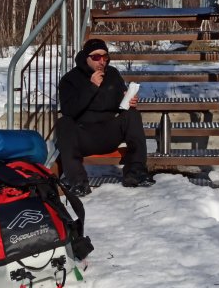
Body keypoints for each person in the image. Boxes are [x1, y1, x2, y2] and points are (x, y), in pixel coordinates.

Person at [55, 38, 156, 197]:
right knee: (63, 122)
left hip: (109, 132)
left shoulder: (113, 74)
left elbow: (120, 105)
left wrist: (129, 101)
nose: (101, 61)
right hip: (84, 136)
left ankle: (135, 172)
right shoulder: (70, 79)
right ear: (85, 57)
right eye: (96, 57)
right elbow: (69, 110)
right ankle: (77, 181)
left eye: (105, 57)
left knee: (132, 115)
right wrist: (91, 86)